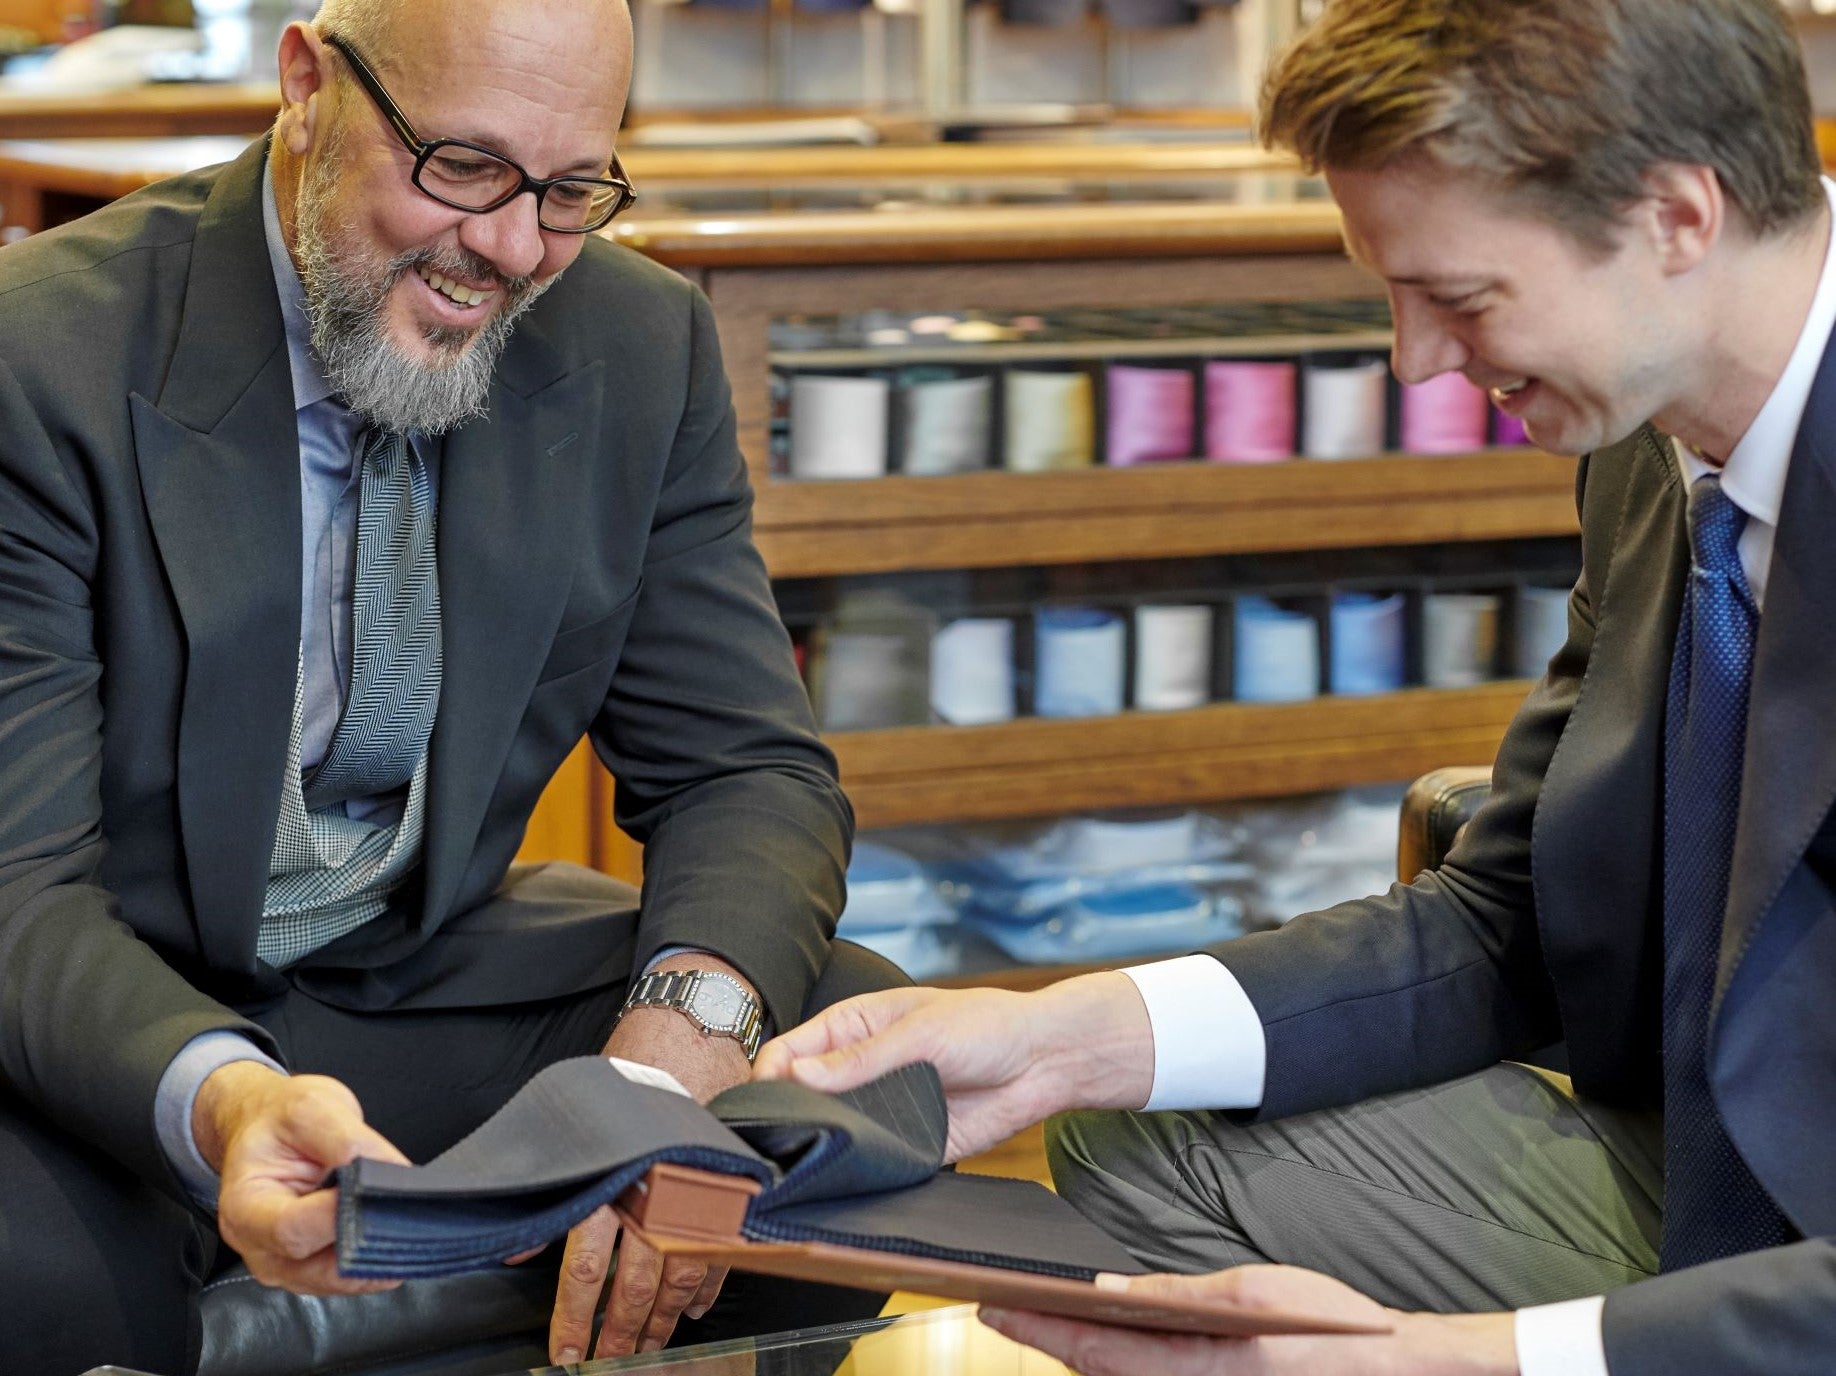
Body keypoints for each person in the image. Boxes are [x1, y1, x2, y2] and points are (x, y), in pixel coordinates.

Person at [758, 1, 1836, 1372]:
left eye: (1460, 297)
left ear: (1679, 218)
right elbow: (1521, 914)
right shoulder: (1655, 439)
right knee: (1135, 1135)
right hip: (1708, 1169)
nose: (1417, 361)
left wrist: (1446, 1359)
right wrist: (1068, 1035)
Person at [0, 0, 896, 1371]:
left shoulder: (638, 347)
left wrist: (662, 1078)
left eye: (573, 188)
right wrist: (227, 1102)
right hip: (96, 1011)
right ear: (307, 85)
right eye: (462, 168)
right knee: (34, 1270)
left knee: (842, 1079)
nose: (516, 249)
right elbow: (18, 890)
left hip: (402, 984)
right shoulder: (41, 358)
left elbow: (745, 770)